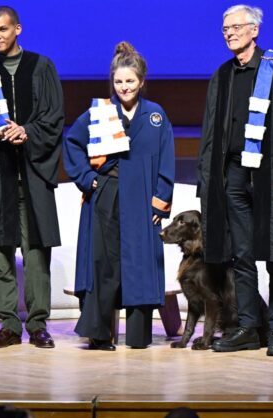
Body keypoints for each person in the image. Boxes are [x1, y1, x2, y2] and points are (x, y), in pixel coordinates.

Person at [197, 4, 273, 356]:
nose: (229, 33)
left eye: (235, 27)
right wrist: (207, 179)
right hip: (232, 174)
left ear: (254, 30)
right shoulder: (223, 75)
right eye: (225, 28)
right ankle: (249, 327)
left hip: (270, 174)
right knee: (241, 255)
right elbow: (210, 132)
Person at [0, 6, 64, 349]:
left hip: (32, 175)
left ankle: (37, 324)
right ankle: (8, 323)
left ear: (18, 29)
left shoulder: (42, 67)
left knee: (36, 253)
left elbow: (54, 117)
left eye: (3, 29)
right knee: (0, 252)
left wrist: (28, 132)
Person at [63, 42, 175, 350]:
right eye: (118, 81)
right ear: (112, 82)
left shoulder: (155, 115)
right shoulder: (101, 114)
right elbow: (71, 142)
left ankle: (138, 336)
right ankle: (99, 335)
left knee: (139, 262)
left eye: (130, 81)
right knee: (104, 264)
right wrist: (88, 179)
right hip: (106, 196)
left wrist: (161, 201)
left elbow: (166, 159)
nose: (124, 87)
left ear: (141, 81)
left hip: (141, 200)